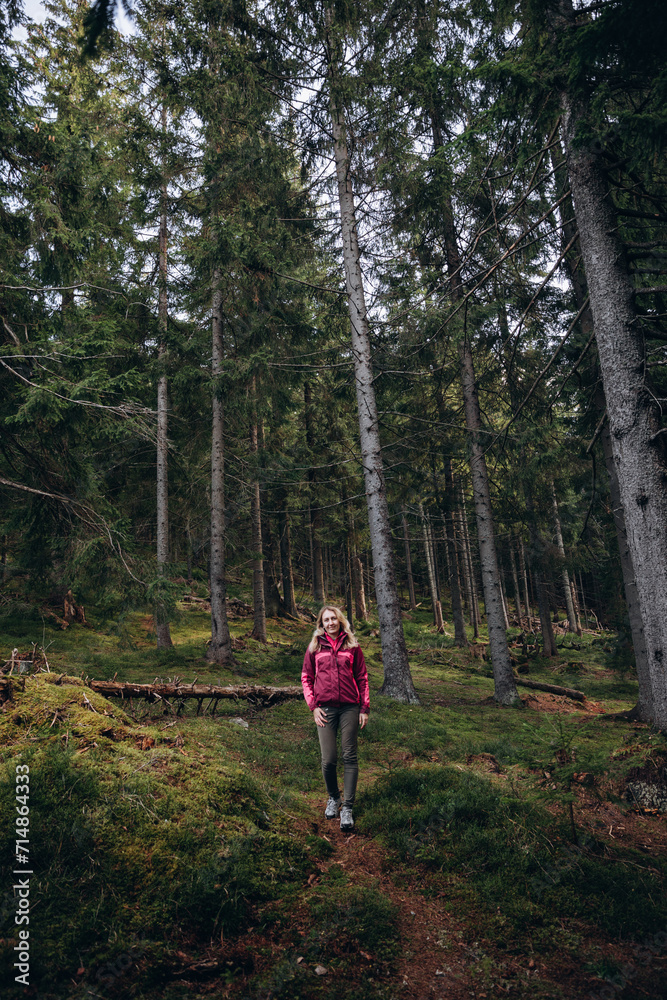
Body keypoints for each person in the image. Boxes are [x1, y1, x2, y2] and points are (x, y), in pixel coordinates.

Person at [301, 605, 370, 831]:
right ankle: (334, 797)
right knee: (328, 760)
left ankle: (347, 808)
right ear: (321, 624)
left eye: (334, 619)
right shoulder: (314, 646)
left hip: (350, 706)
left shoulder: (352, 646)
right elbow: (306, 677)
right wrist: (313, 706)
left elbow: (362, 677)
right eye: (326, 620)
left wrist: (364, 708)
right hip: (325, 709)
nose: (330, 623)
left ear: (340, 621)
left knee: (349, 756)